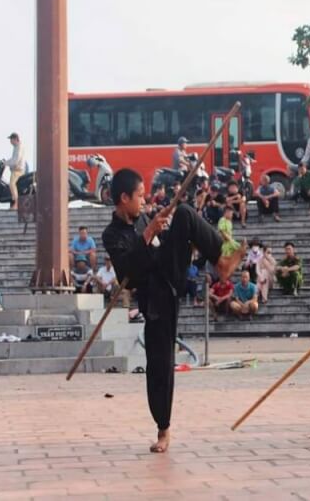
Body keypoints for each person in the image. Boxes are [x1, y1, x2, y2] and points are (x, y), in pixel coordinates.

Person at [102, 168, 245, 453]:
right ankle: (163, 429)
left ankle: (221, 262)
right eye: (139, 196)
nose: (143, 200)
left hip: (171, 274)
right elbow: (128, 274)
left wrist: (162, 231)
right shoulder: (112, 235)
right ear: (124, 198)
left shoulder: (144, 218)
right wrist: (148, 234)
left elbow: (160, 248)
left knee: (185, 214)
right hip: (154, 297)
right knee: (160, 365)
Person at [5, 132, 26, 210]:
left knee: (12, 184)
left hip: (18, 170)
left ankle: (16, 204)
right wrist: (6, 162)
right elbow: (13, 159)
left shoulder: (19, 147)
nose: (10, 141)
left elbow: (16, 160)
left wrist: (7, 163)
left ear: (15, 139)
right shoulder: (16, 147)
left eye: (11, 139)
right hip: (16, 170)